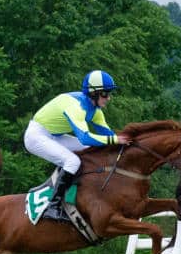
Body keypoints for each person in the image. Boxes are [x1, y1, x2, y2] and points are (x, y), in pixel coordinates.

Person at [24, 70, 129, 213]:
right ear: (94, 93)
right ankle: (53, 205)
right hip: (35, 136)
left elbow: (108, 136)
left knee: (90, 150)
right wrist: (115, 140)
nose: (109, 98)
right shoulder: (76, 107)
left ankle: (77, 192)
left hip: (55, 136)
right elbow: (85, 137)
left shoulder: (95, 111)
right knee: (73, 161)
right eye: (105, 93)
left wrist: (128, 142)